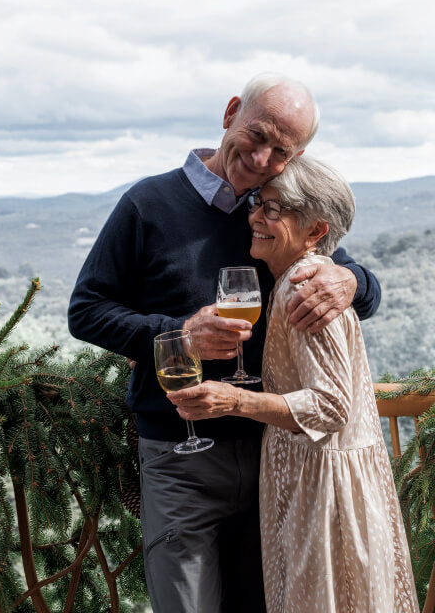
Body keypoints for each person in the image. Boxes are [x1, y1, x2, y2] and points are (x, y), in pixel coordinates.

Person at [67, 74, 381, 613]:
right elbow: (87, 312)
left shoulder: (279, 210)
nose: (260, 159)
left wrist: (352, 281)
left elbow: (361, 291)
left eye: (281, 151)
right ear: (231, 111)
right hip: (179, 452)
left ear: (298, 154)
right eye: (255, 135)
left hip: (276, 457)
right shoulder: (147, 204)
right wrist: (179, 335)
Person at [169, 156, 418, 613]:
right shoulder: (297, 278)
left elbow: (331, 406)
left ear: (316, 231)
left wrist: (234, 399)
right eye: (258, 204)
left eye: (273, 210)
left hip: (324, 492)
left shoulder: (304, 289)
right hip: (315, 478)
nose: (255, 218)